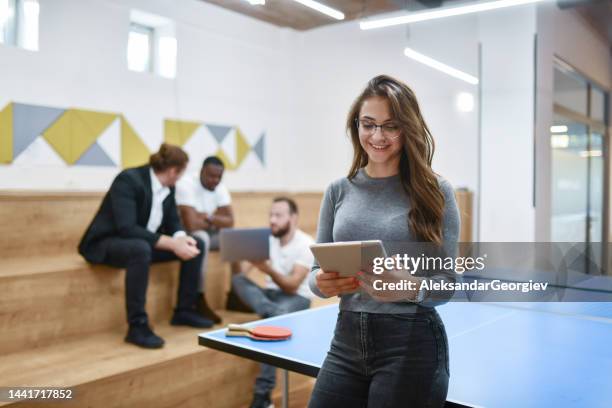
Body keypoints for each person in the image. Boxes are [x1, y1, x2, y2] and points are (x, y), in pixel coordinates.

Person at [307, 75, 460, 407]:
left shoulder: (436, 192)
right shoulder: (338, 190)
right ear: (356, 126)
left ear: (408, 129)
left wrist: (410, 287)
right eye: (368, 124)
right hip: (345, 339)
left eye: (391, 126)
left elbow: (448, 284)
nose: (377, 136)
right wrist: (321, 283)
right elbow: (315, 274)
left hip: (411, 343)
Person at [78, 143, 215, 350]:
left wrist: (180, 237)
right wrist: (172, 243)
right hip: (107, 243)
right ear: (172, 171)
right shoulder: (129, 180)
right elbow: (127, 228)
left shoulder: (169, 187)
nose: (180, 178)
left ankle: (184, 310)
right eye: (181, 173)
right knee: (140, 248)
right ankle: (137, 326)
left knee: (197, 243)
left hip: (142, 241)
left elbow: (173, 222)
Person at [231, 197, 315, 408]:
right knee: (238, 281)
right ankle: (273, 314)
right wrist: (242, 255)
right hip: (270, 298)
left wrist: (268, 269)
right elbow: (242, 275)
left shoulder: (305, 244)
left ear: (293, 218)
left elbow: (293, 286)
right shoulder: (266, 239)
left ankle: (262, 397)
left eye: (278, 215)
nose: (272, 220)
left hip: (296, 300)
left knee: (273, 324)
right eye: (271, 215)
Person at [176, 156, 235, 323]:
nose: (215, 180)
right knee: (201, 239)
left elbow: (230, 221)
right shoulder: (186, 184)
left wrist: (208, 217)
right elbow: (191, 225)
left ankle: (235, 294)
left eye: (219, 177)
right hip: (185, 234)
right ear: (201, 171)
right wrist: (216, 220)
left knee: (234, 239)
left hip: (208, 230)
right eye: (211, 176)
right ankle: (199, 296)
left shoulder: (219, 187)